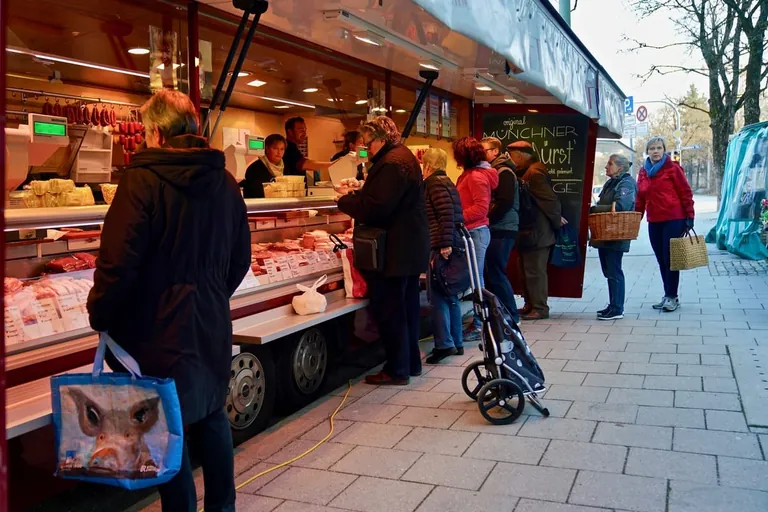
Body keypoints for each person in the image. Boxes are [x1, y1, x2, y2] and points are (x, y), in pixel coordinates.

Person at [86, 89, 251, 512]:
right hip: (210, 321)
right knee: (213, 414)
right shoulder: (227, 183)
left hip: (153, 329)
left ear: (157, 132)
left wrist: (100, 313)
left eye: (144, 131)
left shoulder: (140, 181)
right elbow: (240, 258)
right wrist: (210, 294)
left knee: (163, 424)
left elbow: (117, 263)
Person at [336, 116, 429, 385]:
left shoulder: (391, 163)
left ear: (380, 139)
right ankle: (410, 363)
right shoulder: (402, 157)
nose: (367, 149)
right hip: (407, 249)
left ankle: (396, 369)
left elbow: (376, 208)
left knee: (391, 311)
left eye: (368, 144)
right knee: (407, 308)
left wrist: (344, 201)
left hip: (395, 251)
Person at [635, 136, 695, 312]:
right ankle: (667, 294)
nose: (655, 151)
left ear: (664, 150)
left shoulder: (673, 168)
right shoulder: (643, 172)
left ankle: (672, 296)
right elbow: (640, 198)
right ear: (648, 151)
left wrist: (689, 216)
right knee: (661, 259)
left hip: (673, 219)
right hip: (654, 220)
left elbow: (685, 192)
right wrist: (635, 218)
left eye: (659, 148)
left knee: (671, 259)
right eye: (652, 148)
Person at [508, 140, 565, 321]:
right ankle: (530, 304)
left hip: (537, 232)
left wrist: (557, 221)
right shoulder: (528, 171)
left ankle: (540, 308)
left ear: (520, 155)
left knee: (535, 272)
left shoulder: (534, 173)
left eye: (512, 156)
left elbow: (550, 200)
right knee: (525, 271)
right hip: (528, 232)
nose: (511, 159)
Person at [422, 148, 465, 364]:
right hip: (451, 241)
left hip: (442, 244)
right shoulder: (447, 181)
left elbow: (446, 213)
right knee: (450, 295)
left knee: (438, 296)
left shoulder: (433, 183)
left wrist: (444, 243)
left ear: (427, 165)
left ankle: (444, 344)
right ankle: (456, 342)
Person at [454, 136, 499, 341]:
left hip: (475, 233)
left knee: (477, 280)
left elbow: (481, 209)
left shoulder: (476, 177)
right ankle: (480, 322)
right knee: (475, 279)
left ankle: (480, 324)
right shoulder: (471, 174)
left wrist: (455, 218)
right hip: (472, 232)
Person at [590, 154, 637, 321]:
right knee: (608, 270)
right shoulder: (611, 182)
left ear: (620, 167)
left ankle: (617, 308)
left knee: (614, 270)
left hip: (617, 233)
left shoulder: (626, 183)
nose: (606, 167)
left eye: (610, 164)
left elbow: (621, 205)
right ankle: (613, 304)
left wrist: (595, 210)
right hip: (607, 233)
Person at [481, 137, 520, 323]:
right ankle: (501, 314)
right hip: (500, 227)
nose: (481, 154)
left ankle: (511, 315)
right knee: (493, 272)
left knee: (496, 272)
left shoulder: (503, 172)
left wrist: (487, 218)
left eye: (484, 150)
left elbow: (505, 202)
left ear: (495, 151)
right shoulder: (494, 170)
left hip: (503, 228)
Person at [241, 133, 286, 198]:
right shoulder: (255, 169)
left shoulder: (286, 167)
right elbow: (256, 193)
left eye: (282, 149)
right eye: (275, 148)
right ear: (267, 149)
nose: (279, 152)